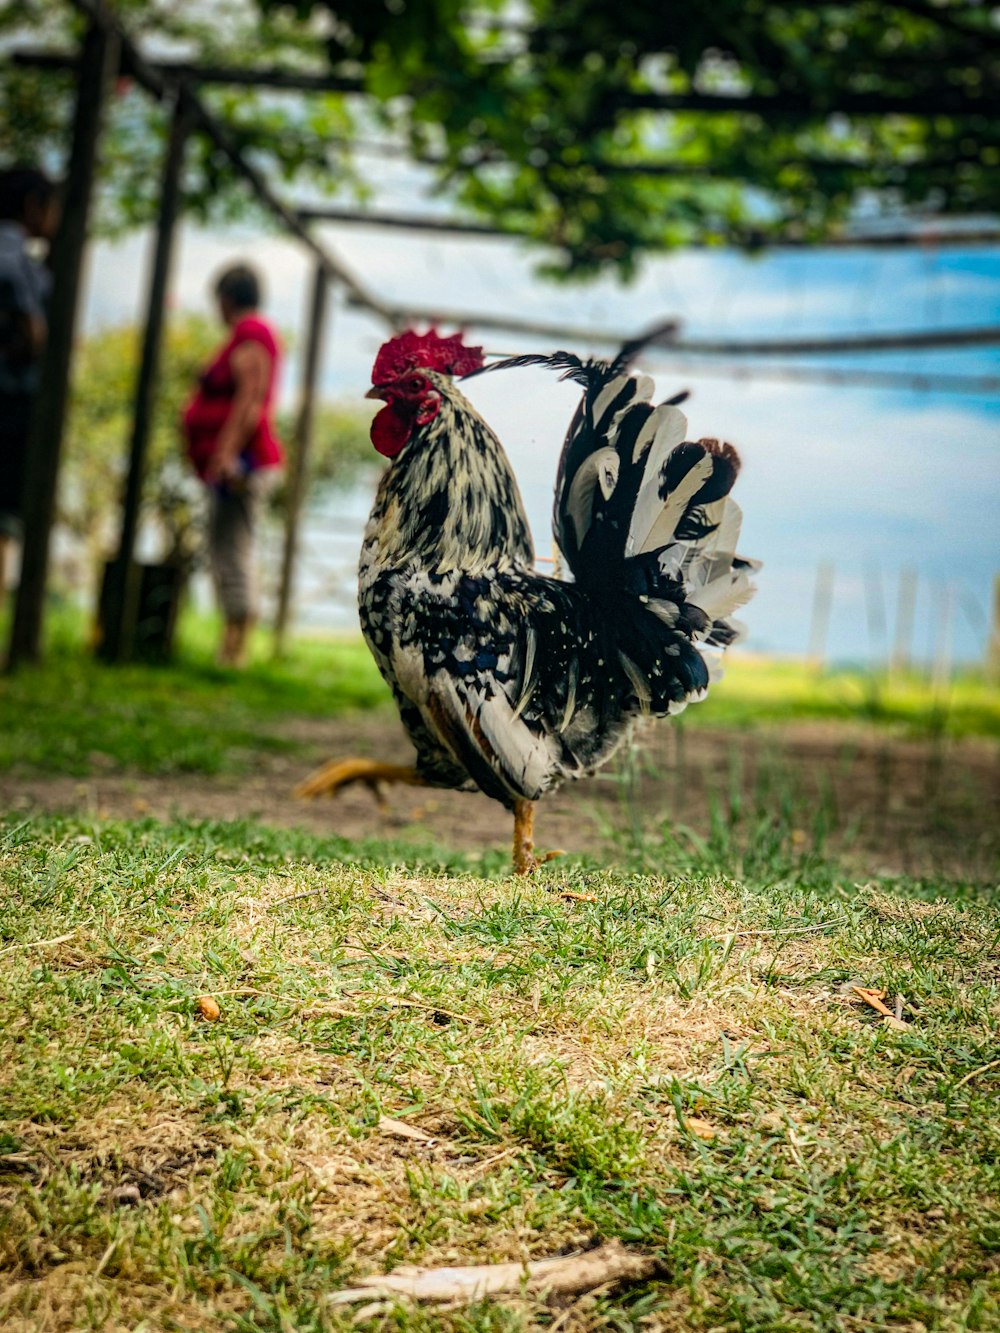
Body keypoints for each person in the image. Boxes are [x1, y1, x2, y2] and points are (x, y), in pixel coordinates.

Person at [181, 262, 284, 666]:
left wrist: (223, 454)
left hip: (243, 463)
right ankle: (231, 644)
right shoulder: (248, 335)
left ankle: (234, 650)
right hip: (237, 460)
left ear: (225, 300)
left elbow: (250, 398)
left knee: (233, 549)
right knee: (229, 547)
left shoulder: (251, 335)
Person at [0, 166, 59, 597]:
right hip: (10, 400)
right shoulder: (13, 253)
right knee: (3, 521)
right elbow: (33, 333)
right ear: (33, 206)